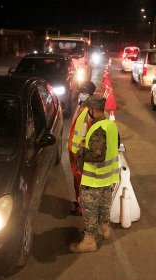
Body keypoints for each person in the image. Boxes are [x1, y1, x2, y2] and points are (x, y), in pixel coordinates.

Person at [69, 95, 120, 253]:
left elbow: (97, 155)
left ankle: (89, 240)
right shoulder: (110, 125)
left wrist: (82, 151)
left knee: (90, 208)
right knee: (104, 206)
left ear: (92, 110)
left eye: (88, 109)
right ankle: (104, 230)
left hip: (95, 179)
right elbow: (116, 144)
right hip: (108, 178)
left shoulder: (98, 129)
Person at [67, 81, 96, 216]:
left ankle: (82, 207)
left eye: (84, 92)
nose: (81, 94)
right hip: (74, 150)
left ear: (90, 95)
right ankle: (78, 202)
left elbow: (93, 133)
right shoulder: (80, 106)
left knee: (82, 181)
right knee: (76, 179)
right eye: (81, 91)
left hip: (81, 152)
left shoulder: (91, 111)